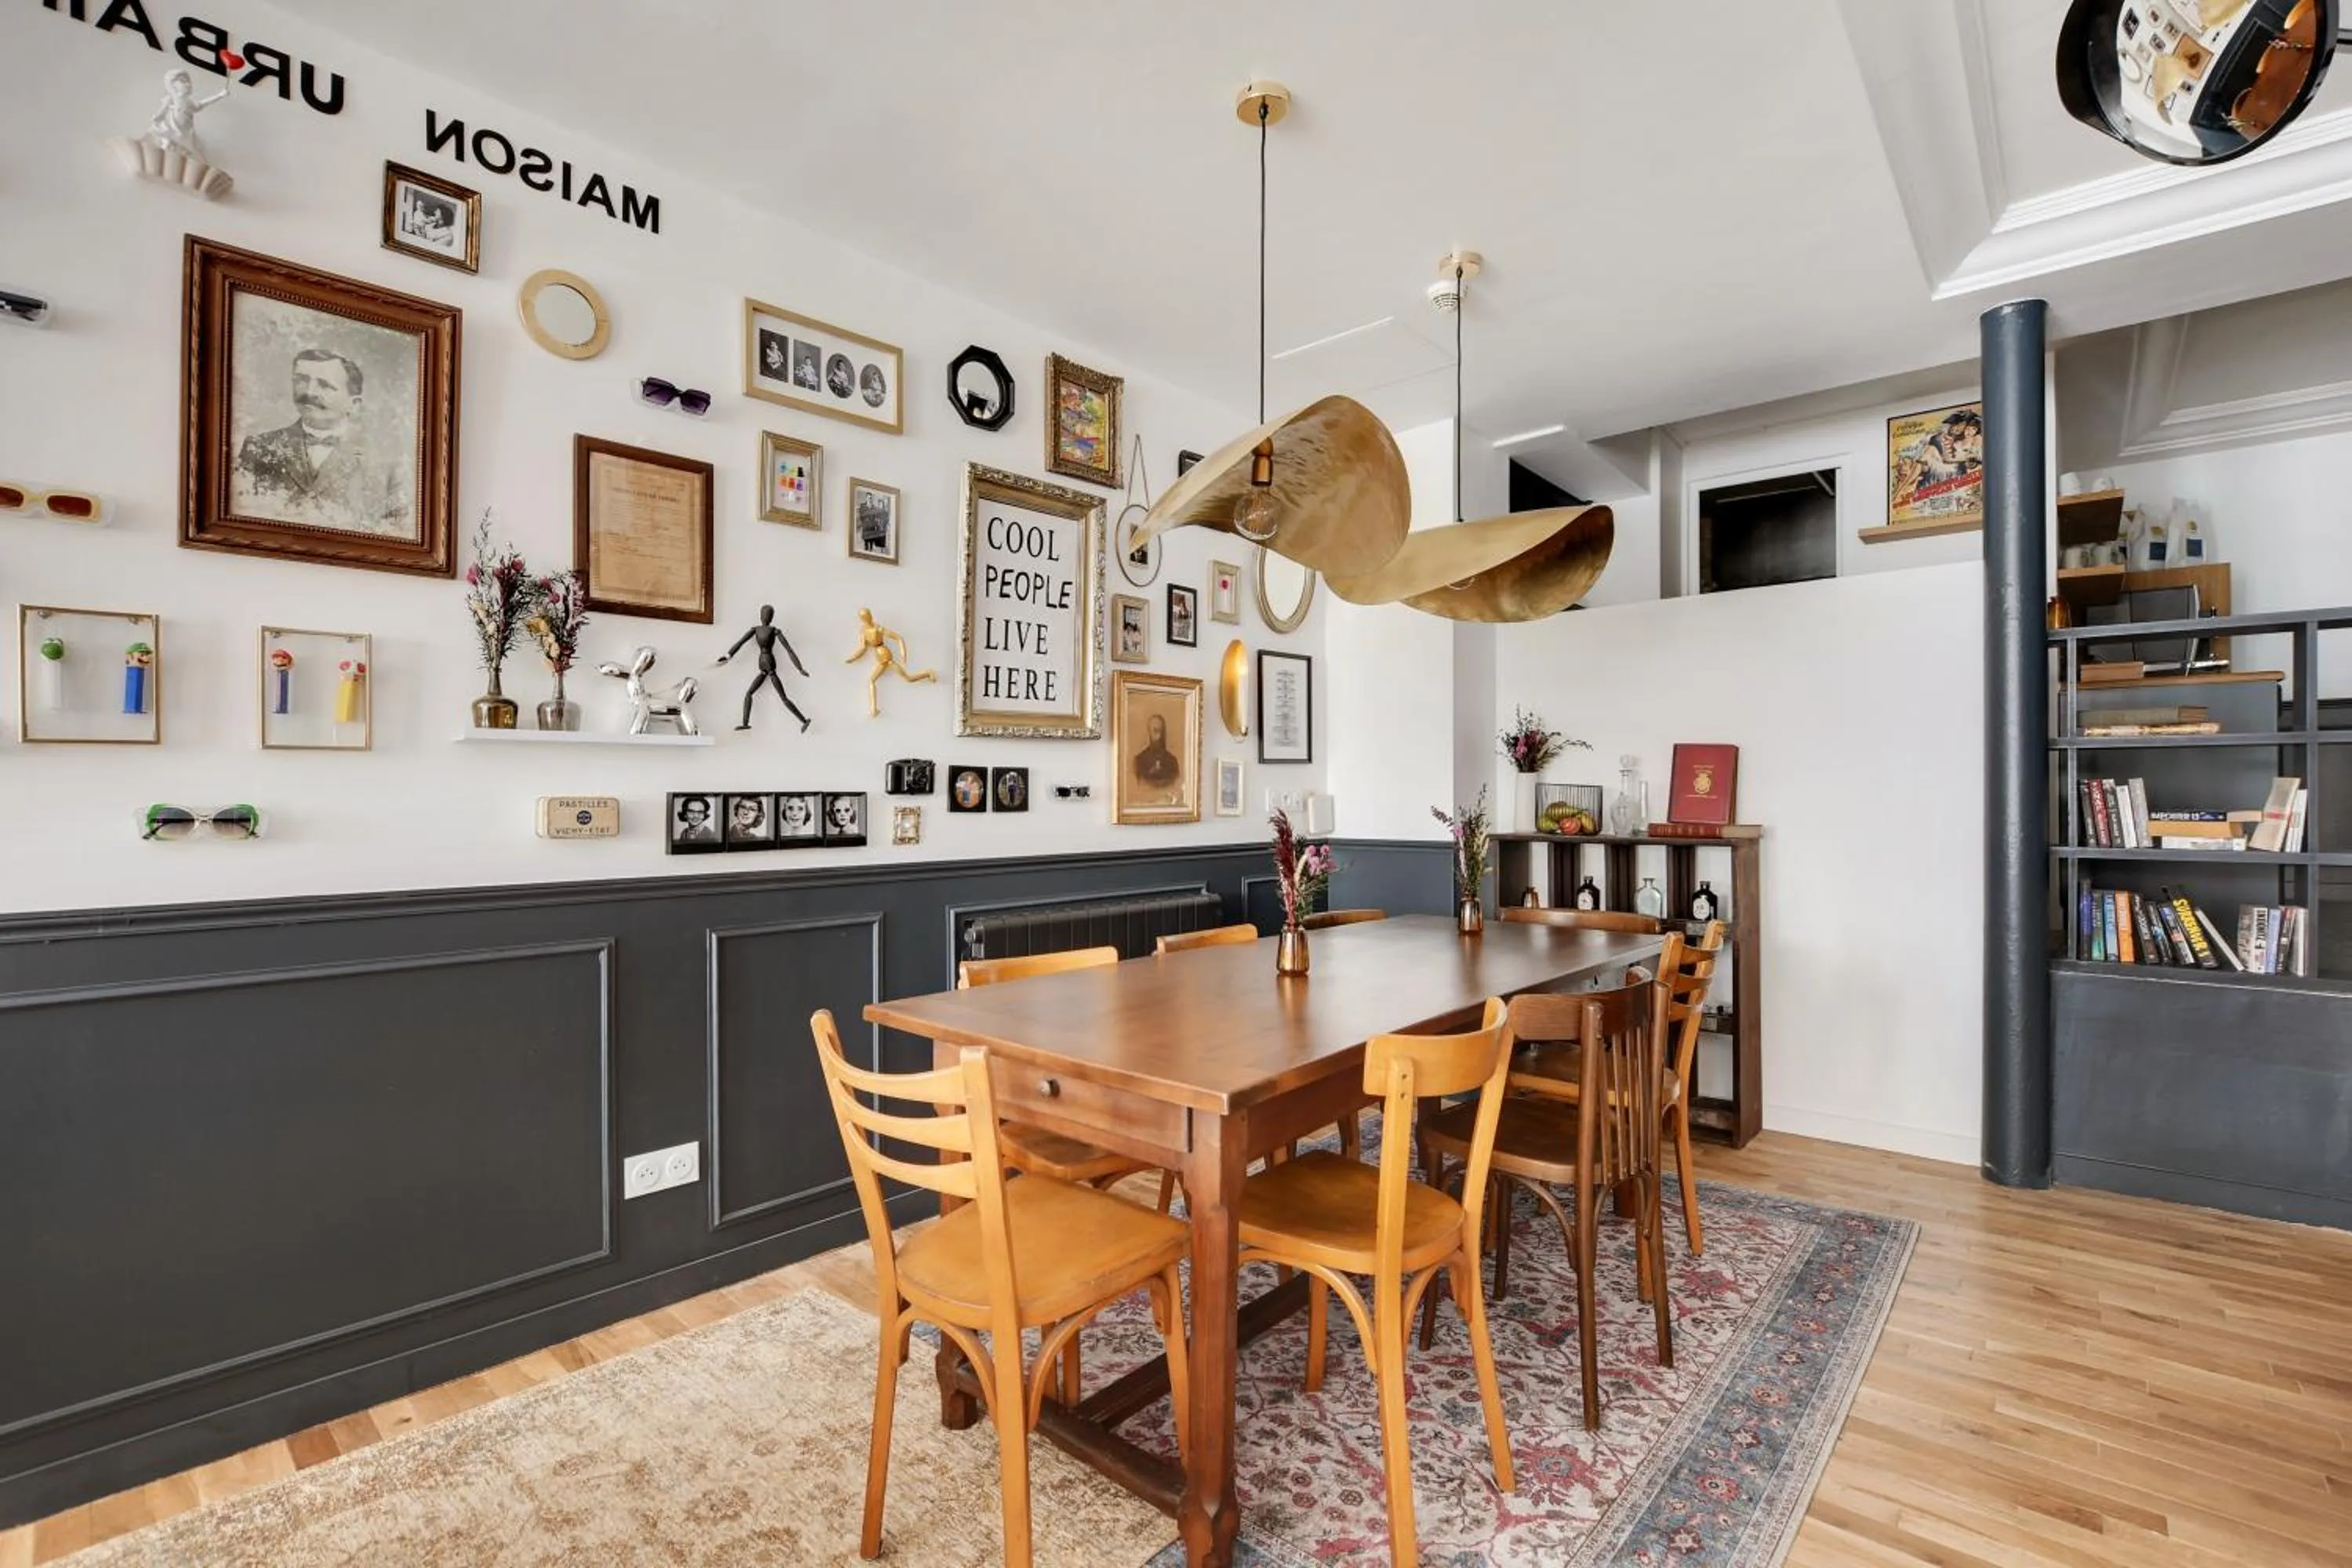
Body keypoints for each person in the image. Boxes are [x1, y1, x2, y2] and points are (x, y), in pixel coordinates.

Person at [233, 348, 412, 536]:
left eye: (324, 385)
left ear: (354, 404)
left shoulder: (385, 466)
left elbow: (397, 536)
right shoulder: (259, 447)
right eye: (301, 380)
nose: (309, 391)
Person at [716, 604, 810, 731]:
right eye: (765, 614)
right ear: (761, 616)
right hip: (763, 664)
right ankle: (745, 723)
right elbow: (740, 643)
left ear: (771, 617)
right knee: (750, 693)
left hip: (769, 663)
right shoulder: (756, 629)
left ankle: (804, 720)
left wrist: (800, 668)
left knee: (783, 697)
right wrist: (728, 656)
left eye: (768, 615)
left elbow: (789, 650)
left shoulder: (774, 631)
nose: (766, 617)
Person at [148, 69, 227, 162]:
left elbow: (200, 106)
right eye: (183, 82)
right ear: (174, 86)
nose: (188, 85)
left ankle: (200, 162)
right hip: (173, 128)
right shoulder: (172, 98)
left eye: (188, 82)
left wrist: (220, 96)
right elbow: (163, 110)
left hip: (187, 130)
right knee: (167, 143)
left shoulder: (188, 102)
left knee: (194, 148)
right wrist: (158, 117)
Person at [1133, 713, 1181, 796]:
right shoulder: (1140, 760)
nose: (1159, 736)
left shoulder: (1172, 761)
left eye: (1162, 731)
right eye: (1155, 731)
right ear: (1149, 732)